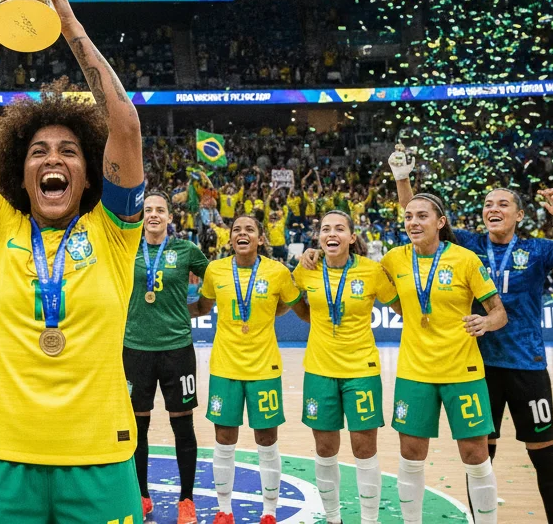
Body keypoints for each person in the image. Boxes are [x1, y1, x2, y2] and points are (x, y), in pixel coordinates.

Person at [0, 0, 146, 524]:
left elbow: (125, 125)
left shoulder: (114, 231)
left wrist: (68, 21)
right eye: (39, 152)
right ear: (20, 171)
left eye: (69, 151)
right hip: (0, 456)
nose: (53, 159)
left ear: (88, 173)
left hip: (100, 455)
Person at [391, 150, 553, 524]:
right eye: (488, 204)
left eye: (503, 204)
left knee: (543, 452)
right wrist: (402, 178)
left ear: (519, 215)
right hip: (479, 368)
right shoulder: (468, 245)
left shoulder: (538, 249)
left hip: (526, 364)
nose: (493, 209)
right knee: (480, 456)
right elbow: (420, 216)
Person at [380, 194, 507, 524]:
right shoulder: (394, 258)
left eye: (422, 216)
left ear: (440, 222)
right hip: (414, 372)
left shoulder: (465, 259)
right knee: (411, 455)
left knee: (475, 455)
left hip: (462, 371)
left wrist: (485, 322)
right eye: (409, 216)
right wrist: (312, 256)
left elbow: (499, 312)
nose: (413, 222)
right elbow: (358, 270)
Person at [191, 214, 301, 524]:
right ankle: (224, 509)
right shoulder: (215, 270)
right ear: (230, 239)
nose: (243, 233)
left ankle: (269, 512)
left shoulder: (277, 272)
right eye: (237, 229)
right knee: (224, 440)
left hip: (264, 368)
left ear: (260, 239)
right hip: (225, 367)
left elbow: (290, 304)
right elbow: (202, 306)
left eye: (250, 229)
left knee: (266, 440)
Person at [292, 212, 399, 524]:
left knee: (364, 448)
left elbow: (401, 306)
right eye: (325, 229)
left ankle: (369, 520)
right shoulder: (307, 269)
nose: (332, 233)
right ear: (319, 238)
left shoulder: (372, 271)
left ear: (352, 237)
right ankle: (333, 518)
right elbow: (296, 304)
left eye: (339, 228)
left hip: (361, 370)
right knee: (325, 448)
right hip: (319, 369)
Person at [123, 192, 210, 524]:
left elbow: (216, 278)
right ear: (141, 216)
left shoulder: (186, 250)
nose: (154, 215)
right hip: (135, 349)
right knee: (137, 426)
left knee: (183, 425)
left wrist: (201, 307)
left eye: (160, 210)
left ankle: (186, 500)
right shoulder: (127, 248)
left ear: (170, 218)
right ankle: (141, 496)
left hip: (177, 349)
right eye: (148, 210)